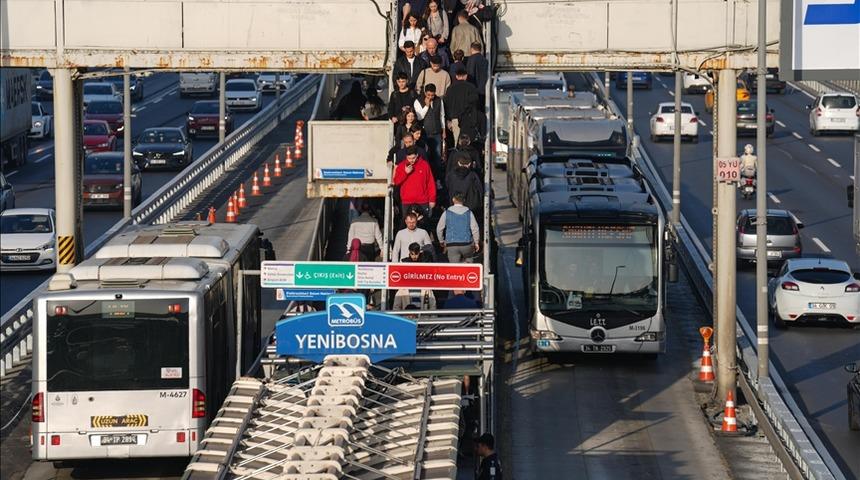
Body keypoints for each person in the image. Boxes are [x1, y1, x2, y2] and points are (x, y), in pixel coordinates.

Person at [393, 146, 437, 222]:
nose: (411, 160)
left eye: (413, 158)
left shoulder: (425, 165)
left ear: (417, 155)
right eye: (409, 158)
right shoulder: (401, 166)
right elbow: (396, 181)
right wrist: (405, 173)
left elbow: (430, 183)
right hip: (407, 202)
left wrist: (432, 199)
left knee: (424, 224)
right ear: (406, 156)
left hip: (422, 201)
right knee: (407, 224)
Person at [413, 84, 446, 179]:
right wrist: (426, 106)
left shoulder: (439, 100)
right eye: (428, 95)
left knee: (437, 156)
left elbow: (441, 116)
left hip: (437, 133)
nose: (430, 97)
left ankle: (437, 179)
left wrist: (443, 130)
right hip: (424, 133)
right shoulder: (418, 101)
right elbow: (419, 117)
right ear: (425, 93)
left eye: (432, 95)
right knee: (426, 156)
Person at [436, 193, 480, 263]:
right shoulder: (469, 213)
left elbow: (439, 229)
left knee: (455, 269)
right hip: (466, 244)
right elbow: (475, 228)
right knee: (469, 265)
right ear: (464, 200)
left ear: (453, 199)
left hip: (452, 244)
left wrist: (441, 241)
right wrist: (476, 242)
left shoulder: (446, 213)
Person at [444, 67, 481, 142]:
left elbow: (446, 104)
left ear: (456, 76)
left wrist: (448, 120)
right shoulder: (471, 87)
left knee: (457, 141)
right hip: (469, 119)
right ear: (466, 76)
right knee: (468, 142)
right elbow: (476, 102)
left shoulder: (450, 89)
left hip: (455, 119)